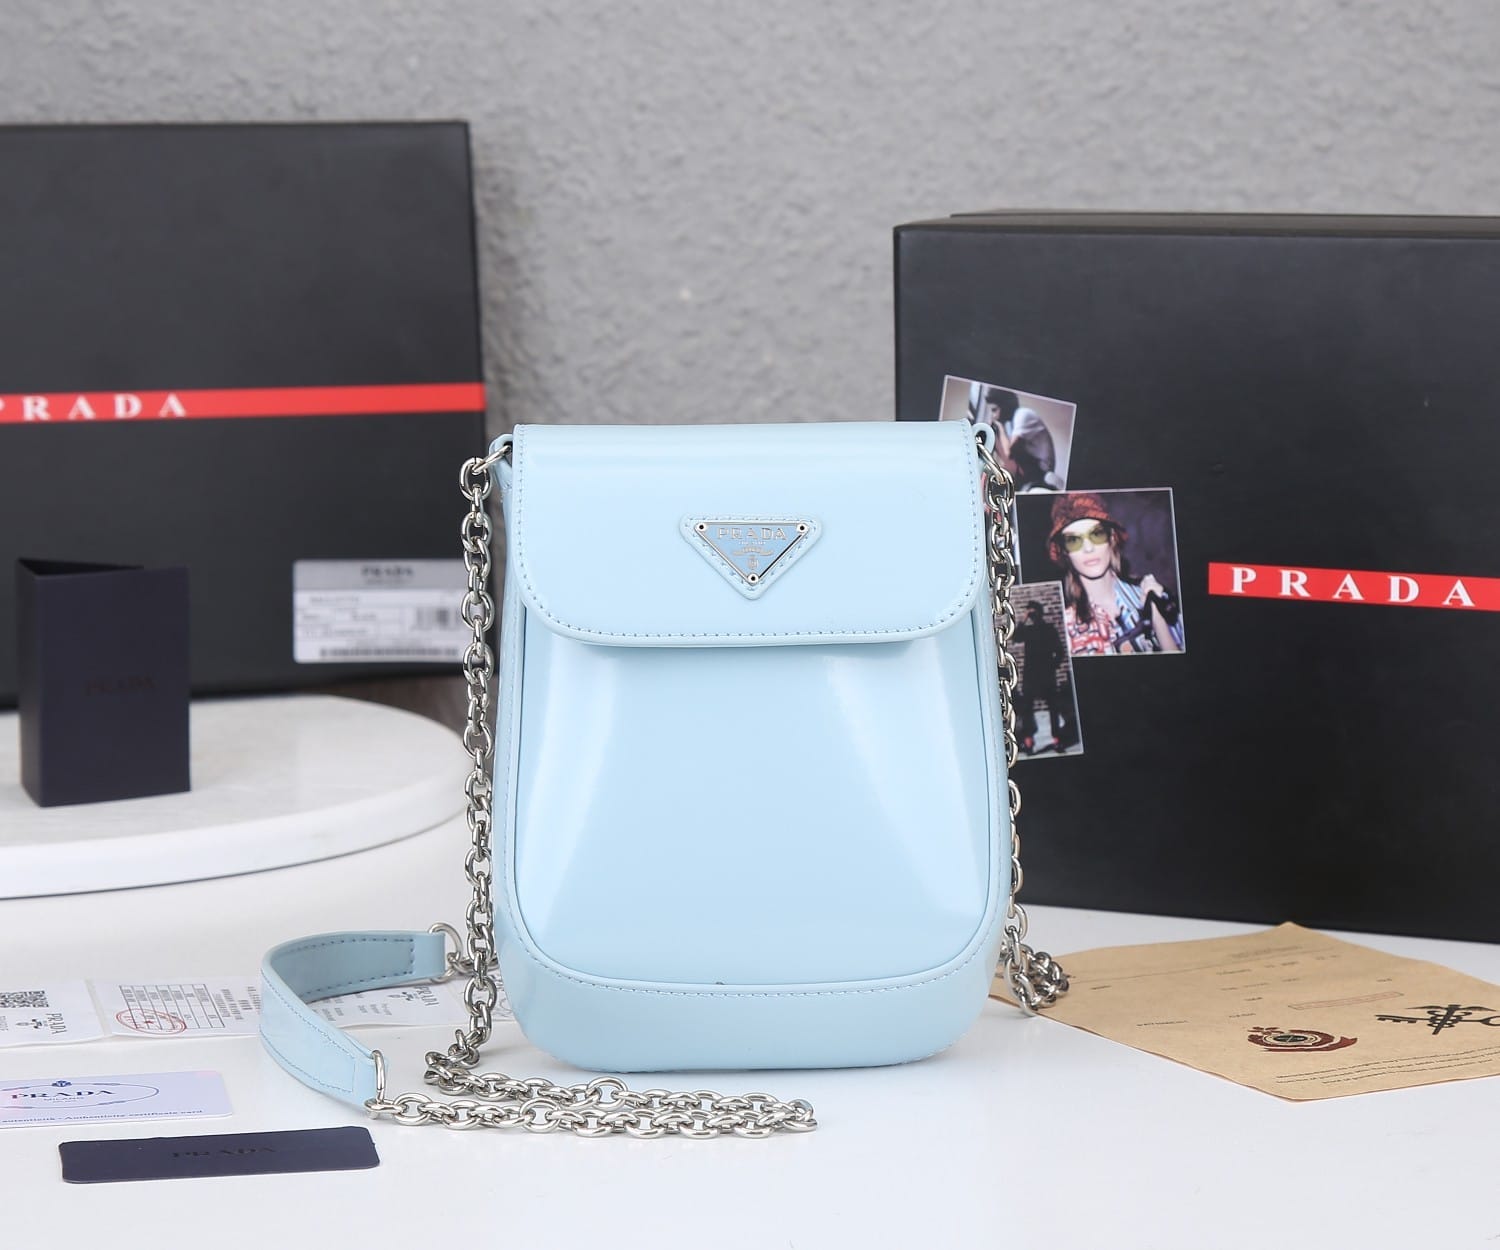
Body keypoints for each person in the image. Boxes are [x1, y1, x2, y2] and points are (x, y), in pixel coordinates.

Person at [1048, 493, 1184, 656]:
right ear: (1065, 552)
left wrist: (1158, 618)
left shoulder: (1154, 595)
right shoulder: (1066, 629)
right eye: (1073, 540)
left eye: (1097, 534)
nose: (1088, 548)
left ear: (1112, 538)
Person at [980, 387, 1062, 492]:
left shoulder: (1023, 414)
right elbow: (1007, 457)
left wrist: (1000, 427)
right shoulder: (1010, 424)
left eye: (994, 410)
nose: (993, 416)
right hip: (1028, 469)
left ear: (1005, 406)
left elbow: (1009, 453)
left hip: (1041, 471)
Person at [1014, 601, 1069, 753]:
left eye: (1033, 612)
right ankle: (1028, 741)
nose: (1032, 615)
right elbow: (1016, 638)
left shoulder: (1049, 629)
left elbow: (1060, 652)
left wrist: (1052, 666)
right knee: (1027, 708)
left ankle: (1057, 740)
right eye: (1030, 612)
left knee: (1053, 707)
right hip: (1030, 675)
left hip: (1047, 675)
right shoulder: (1028, 630)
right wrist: (1023, 619)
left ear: (1040, 612)